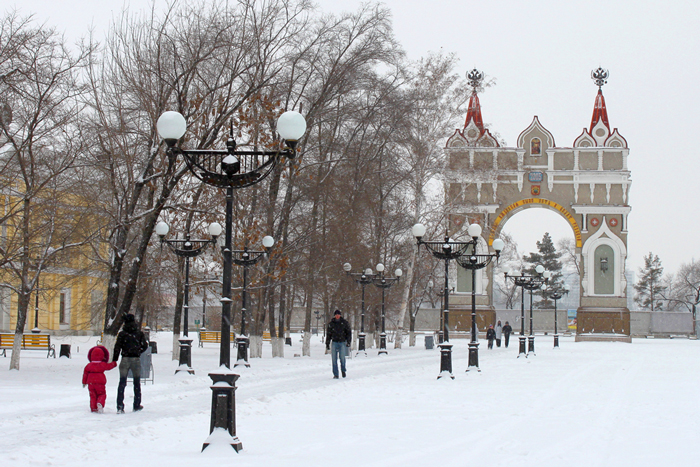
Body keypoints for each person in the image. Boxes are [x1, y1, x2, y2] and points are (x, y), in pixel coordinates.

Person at [113, 314, 149, 413]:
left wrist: (115, 359)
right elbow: (145, 346)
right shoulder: (139, 333)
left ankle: (120, 406)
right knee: (136, 383)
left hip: (125, 359)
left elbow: (117, 347)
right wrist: (138, 351)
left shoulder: (122, 334)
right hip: (135, 359)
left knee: (122, 382)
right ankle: (136, 404)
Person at [82, 345, 117, 413]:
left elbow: (85, 374)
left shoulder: (89, 365)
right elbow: (109, 366)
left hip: (91, 383)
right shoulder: (102, 364)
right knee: (102, 394)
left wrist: (84, 382)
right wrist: (114, 363)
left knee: (93, 396)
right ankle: (100, 403)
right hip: (100, 382)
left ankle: (93, 408)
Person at [325, 309, 351, 379]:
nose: (337, 316)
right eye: (336, 315)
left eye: (338, 315)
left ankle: (343, 370)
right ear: (334, 315)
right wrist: (327, 343)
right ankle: (335, 374)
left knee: (342, 358)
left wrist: (348, 341)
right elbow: (329, 334)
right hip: (334, 342)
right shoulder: (331, 324)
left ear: (340, 315)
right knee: (334, 359)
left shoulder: (344, 323)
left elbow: (348, 332)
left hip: (342, 342)